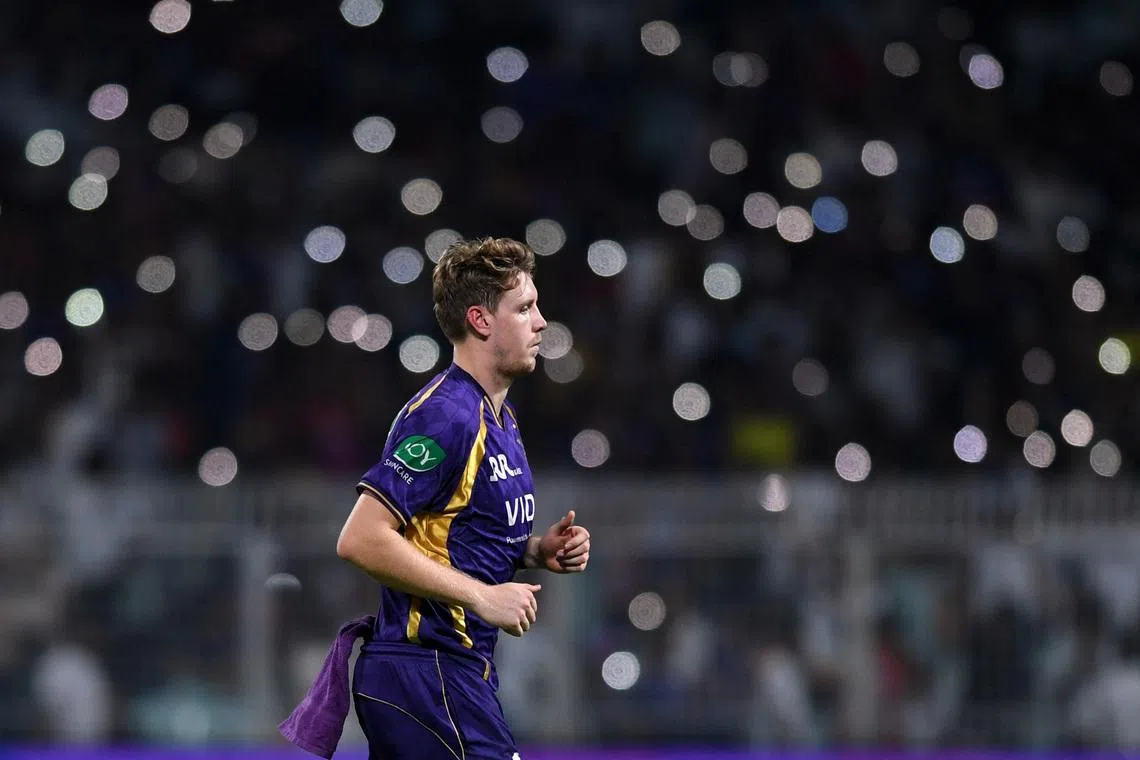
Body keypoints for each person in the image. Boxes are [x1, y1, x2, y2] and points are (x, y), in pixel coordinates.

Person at [280, 237, 591, 760]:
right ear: (481, 320)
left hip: (451, 675)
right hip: (426, 672)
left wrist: (535, 552)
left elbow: (448, 532)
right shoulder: (446, 416)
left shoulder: (501, 420)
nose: (541, 323)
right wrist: (482, 596)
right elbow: (361, 539)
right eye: (525, 308)